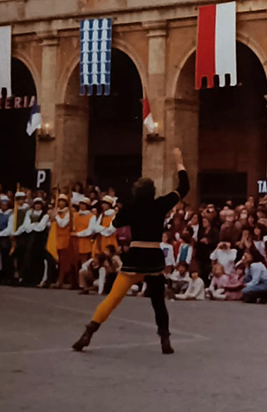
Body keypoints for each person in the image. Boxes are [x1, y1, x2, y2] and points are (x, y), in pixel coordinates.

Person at [73, 148, 189, 355]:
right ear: (152, 192)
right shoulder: (160, 205)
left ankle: (89, 332)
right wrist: (179, 162)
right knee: (158, 302)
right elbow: (185, 187)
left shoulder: (131, 208)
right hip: (153, 258)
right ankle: (165, 339)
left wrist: (122, 208)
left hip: (134, 258)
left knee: (112, 299)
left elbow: (117, 222)